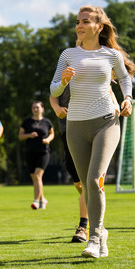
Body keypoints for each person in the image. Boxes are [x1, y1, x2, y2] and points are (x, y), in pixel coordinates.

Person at [50, 5, 135, 259]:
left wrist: (128, 98)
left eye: (85, 21)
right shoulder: (67, 55)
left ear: (99, 27)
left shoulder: (111, 55)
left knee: (94, 179)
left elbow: (124, 79)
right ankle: (101, 232)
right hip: (76, 125)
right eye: (78, 21)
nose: (79, 25)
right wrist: (63, 81)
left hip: (106, 122)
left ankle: (95, 237)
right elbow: (54, 90)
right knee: (86, 187)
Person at [50, 90, 88, 243]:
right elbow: (53, 94)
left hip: (89, 127)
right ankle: (89, 200)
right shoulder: (64, 69)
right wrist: (57, 108)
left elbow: (107, 89)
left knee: (87, 181)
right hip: (67, 128)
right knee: (76, 177)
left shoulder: (93, 68)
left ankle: (83, 227)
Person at [19, 101, 54, 210]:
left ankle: (36, 201)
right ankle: (43, 200)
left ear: (42, 109)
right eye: (34, 107)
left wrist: (48, 139)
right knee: (35, 178)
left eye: (37, 107)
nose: (35, 109)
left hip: (43, 152)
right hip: (30, 152)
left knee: (38, 176)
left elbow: (52, 133)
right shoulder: (27, 122)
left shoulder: (47, 122)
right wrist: (29, 135)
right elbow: (20, 136)